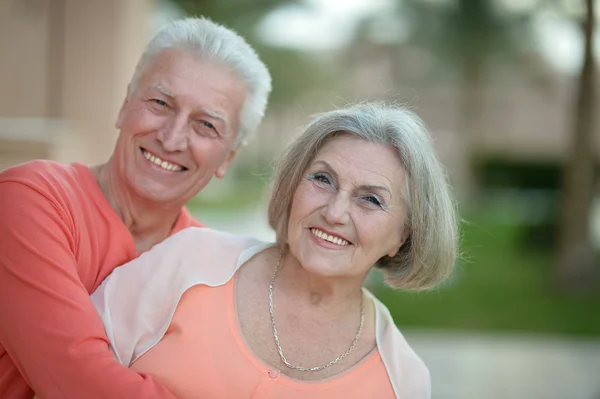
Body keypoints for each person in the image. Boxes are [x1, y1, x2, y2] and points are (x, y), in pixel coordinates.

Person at [90, 102, 459, 398]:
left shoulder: (402, 380)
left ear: (403, 236)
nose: (334, 212)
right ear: (292, 185)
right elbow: (68, 373)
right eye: (322, 179)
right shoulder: (189, 262)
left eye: (370, 200)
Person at [0, 17, 271, 398]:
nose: (172, 138)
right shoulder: (31, 199)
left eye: (206, 125)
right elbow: (80, 384)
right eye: (160, 103)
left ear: (227, 157)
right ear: (125, 105)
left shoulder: (212, 269)